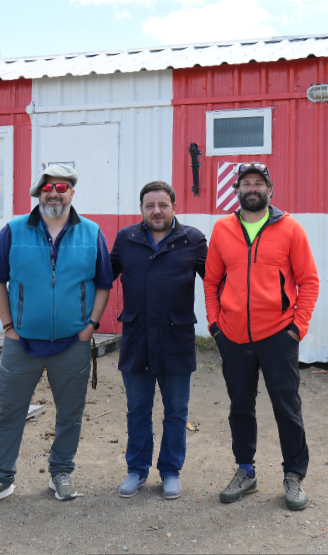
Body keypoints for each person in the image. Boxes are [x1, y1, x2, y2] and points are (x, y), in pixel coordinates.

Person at [0, 163, 113, 509]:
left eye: (61, 187)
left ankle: (60, 473)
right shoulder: (13, 230)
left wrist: (91, 325)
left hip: (72, 343)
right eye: (47, 187)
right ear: (38, 193)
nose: (54, 193)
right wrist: (9, 328)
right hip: (22, 343)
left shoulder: (92, 232)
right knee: (9, 413)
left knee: (70, 414)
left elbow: (103, 284)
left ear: (71, 193)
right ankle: (0, 478)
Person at [203, 162, 320, 511]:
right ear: (237, 189)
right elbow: (211, 281)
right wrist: (215, 325)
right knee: (240, 406)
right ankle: (245, 471)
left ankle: (294, 475)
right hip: (234, 336)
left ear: (270, 189)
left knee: (286, 406)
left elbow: (309, 281)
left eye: (259, 183)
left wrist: (297, 328)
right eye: (246, 183)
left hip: (277, 336)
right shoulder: (223, 229)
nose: (252, 188)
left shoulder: (290, 228)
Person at [110, 181, 207, 499]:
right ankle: (137, 470)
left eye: (162, 205)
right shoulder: (127, 239)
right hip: (137, 339)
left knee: (176, 412)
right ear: (141, 209)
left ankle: (170, 471)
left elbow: (219, 280)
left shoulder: (192, 239)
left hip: (175, 340)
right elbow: (100, 276)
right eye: (150, 205)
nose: (156, 211)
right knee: (137, 411)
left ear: (174, 207)